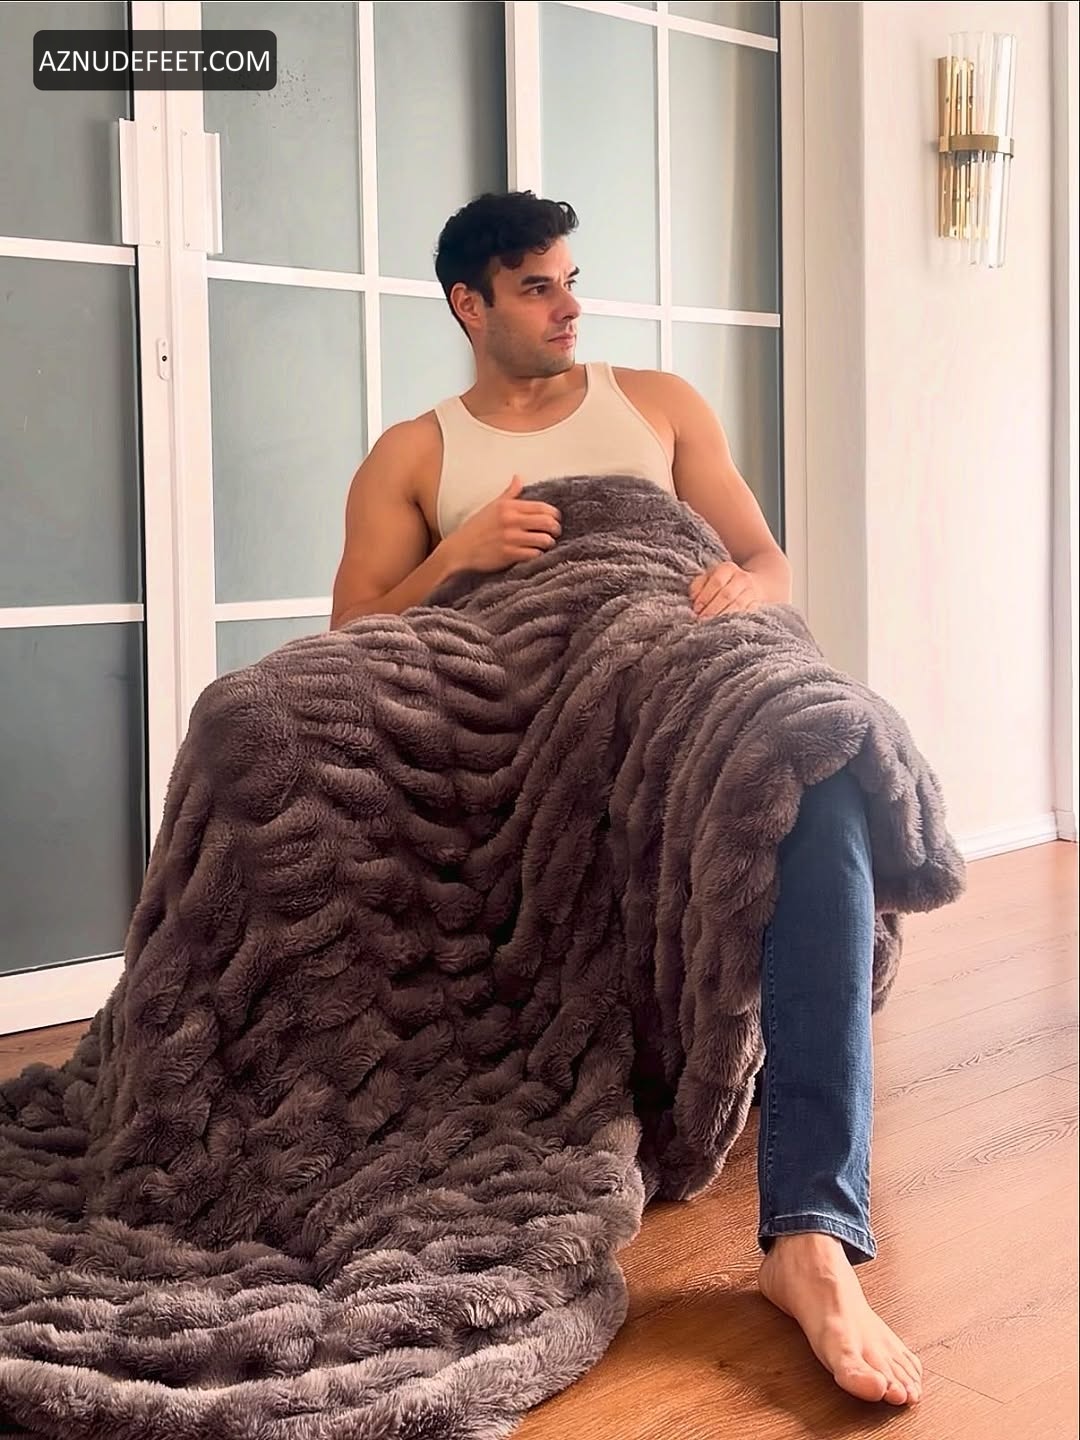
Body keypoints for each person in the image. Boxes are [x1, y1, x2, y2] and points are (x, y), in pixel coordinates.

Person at [329, 191, 923, 1409]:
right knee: (261, 717)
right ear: (469, 305)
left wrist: (743, 592)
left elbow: (765, 559)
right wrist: (459, 555)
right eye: (537, 287)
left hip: (674, 652)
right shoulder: (415, 453)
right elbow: (352, 628)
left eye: (570, 279)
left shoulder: (657, 403)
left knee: (814, 751)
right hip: (514, 704)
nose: (569, 307)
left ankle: (813, 1236)